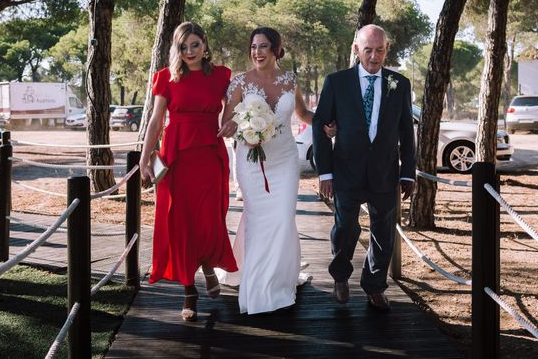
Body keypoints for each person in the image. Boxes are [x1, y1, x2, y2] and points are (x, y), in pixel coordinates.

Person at [219, 27, 334, 315]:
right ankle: (257, 284)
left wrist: (323, 123)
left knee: (283, 218)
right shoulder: (239, 83)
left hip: (283, 160)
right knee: (257, 219)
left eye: (264, 46)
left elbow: (302, 114)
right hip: (251, 162)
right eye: (254, 46)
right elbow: (227, 120)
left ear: (276, 50)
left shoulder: (289, 80)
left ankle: (278, 281)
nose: (257, 52)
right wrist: (238, 127)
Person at [312, 24, 415, 311]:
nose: (374, 56)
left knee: (383, 231)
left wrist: (408, 172)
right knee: (345, 226)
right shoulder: (336, 82)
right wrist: (326, 172)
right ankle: (341, 275)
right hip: (346, 170)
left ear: (386, 51)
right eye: (368, 50)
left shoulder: (400, 84)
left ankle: (375, 286)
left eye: (379, 50)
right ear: (356, 49)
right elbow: (321, 127)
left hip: (384, 172)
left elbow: (407, 131)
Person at [139, 22, 238, 322]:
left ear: (204, 45)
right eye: (183, 47)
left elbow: (232, 107)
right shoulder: (165, 78)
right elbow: (156, 121)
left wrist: (231, 121)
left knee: (209, 217)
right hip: (176, 157)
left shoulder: (221, 75)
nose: (190, 51)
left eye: (195, 44)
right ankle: (188, 291)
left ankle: (208, 264)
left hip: (209, 154)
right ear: (176, 50)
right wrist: (145, 159)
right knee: (180, 221)